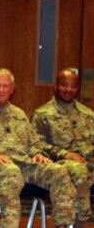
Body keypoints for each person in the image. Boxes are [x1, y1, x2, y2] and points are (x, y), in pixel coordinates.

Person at [0, 68, 76, 228]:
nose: (1, 90)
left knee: (58, 171)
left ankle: (64, 225)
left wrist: (38, 153)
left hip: (24, 164)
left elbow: (34, 143)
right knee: (11, 172)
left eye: (5, 86)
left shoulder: (19, 114)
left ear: (12, 89)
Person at [32, 68, 94, 228]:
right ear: (55, 86)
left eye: (73, 86)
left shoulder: (87, 114)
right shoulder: (43, 114)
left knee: (82, 168)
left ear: (78, 88)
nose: (69, 90)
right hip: (59, 164)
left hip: (88, 163)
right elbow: (36, 144)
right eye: (64, 85)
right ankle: (80, 223)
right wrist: (65, 154)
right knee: (78, 170)